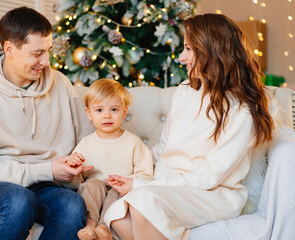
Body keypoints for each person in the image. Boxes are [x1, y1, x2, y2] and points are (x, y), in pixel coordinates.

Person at [103, 13, 275, 240]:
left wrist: (144, 186)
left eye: (188, 49)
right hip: (168, 187)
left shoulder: (243, 109)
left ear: (211, 50)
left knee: (143, 203)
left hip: (214, 193)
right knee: (116, 216)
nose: (181, 57)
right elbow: (163, 149)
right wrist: (132, 171)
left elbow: (211, 176)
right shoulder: (185, 90)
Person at [0, 6, 94, 240]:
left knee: (72, 205)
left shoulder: (61, 84)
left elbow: (87, 140)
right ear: (9, 49)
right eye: (37, 53)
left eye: (48, 51)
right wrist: (46, 169)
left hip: (47, 186)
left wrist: (75, 167)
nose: (46, 61)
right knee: (20, 201)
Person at [63, 78, 153, 240]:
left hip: (119, 191)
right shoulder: (85, 143)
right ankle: (90, 224)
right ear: (88, 113)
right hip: (94, 190)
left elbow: (146, 174)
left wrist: (127, 181)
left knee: (116, 191)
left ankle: (104, 226)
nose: (106, 115)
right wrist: (73, 169)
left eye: (113, 109)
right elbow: (75, 181)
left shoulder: (133, 142)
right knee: (92, 185)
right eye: (99, 110)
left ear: (124, 112)